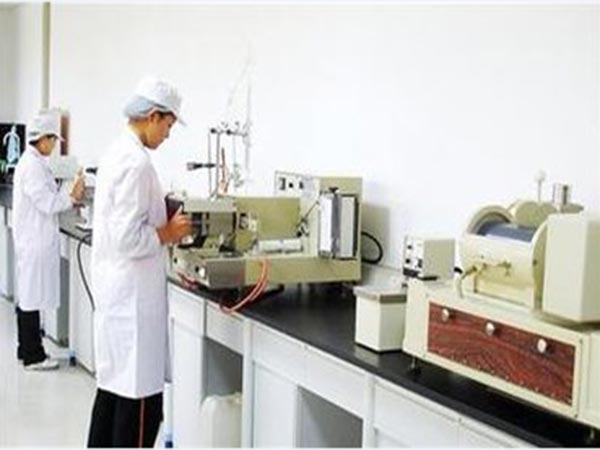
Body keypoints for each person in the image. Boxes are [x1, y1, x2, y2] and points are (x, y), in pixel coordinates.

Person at [87, 76, 192, 448]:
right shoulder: (137, 164)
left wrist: (160, 212)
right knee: (140, 409)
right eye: (168, 125)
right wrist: (168, 233)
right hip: (133, 306)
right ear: (152, 116)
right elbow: (128, 237)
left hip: (117, 297)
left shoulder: (118, 153)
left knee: (111, 397)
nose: (168, 134)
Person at [13, 111, 85, 370]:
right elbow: (46, 203)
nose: (54, 146)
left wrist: (68, 197)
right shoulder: (32, 166)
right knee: (31, 297)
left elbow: (47, 198)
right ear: (43, 139)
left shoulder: (33, 162)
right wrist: (72, 197)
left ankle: (26, 349)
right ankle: (33, 356)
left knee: (29, 296)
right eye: (53, 140)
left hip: (33, 239)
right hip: (35, 241)